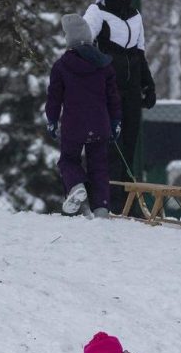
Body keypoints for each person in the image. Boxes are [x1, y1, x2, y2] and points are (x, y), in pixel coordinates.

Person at [83, 0, 157, 215]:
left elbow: (139, 51)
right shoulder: (97, 12)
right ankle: (106, 199)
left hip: (131, 89)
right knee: (109, 144)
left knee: (129, 144)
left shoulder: (135, 15)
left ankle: (126, 199)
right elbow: (82, 44)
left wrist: (148, 85)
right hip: (107, 90)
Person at [45, 14, 124, 218]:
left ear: (68, 39)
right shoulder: (104, 65)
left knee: (68, 160)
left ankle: (76, 186)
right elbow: (113, 98)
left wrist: (52, 120)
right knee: (99, 166)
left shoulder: (61, 66)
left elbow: (54, 97)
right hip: (100, 124)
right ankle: (101, 208)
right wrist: (115, 121)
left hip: (74, 125)